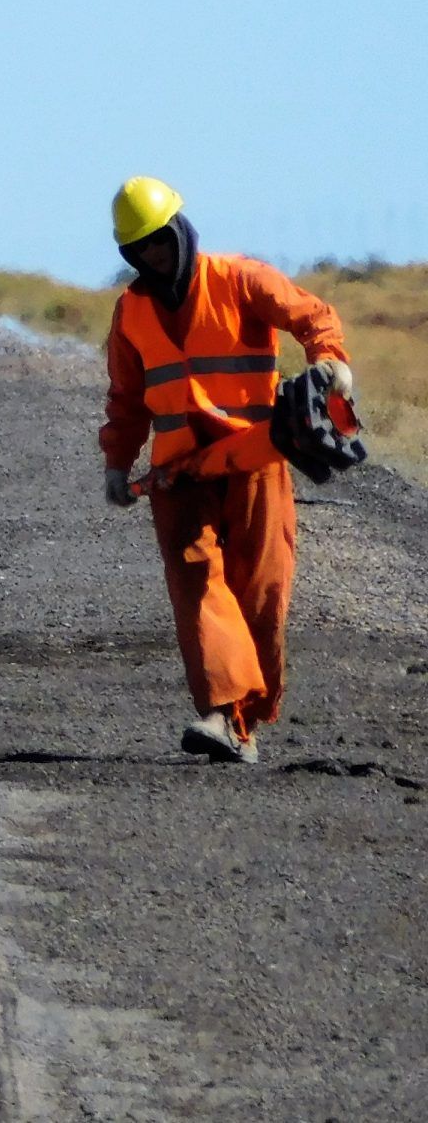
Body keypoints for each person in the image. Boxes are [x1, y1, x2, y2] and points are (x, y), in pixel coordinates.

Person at [99, 176, 351, 763]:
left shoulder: (241, 279)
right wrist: (117, 462)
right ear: (128, 254)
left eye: (160, 240)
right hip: (179, 475)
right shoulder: (131, 311)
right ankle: (217, 712)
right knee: (198, 587)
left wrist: (330, 363)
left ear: (181, 230)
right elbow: (126, 397)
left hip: (254, 462)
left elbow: (312, 316)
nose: (154, 255)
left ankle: (243, 723)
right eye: (141, 248)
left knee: (260, 593)